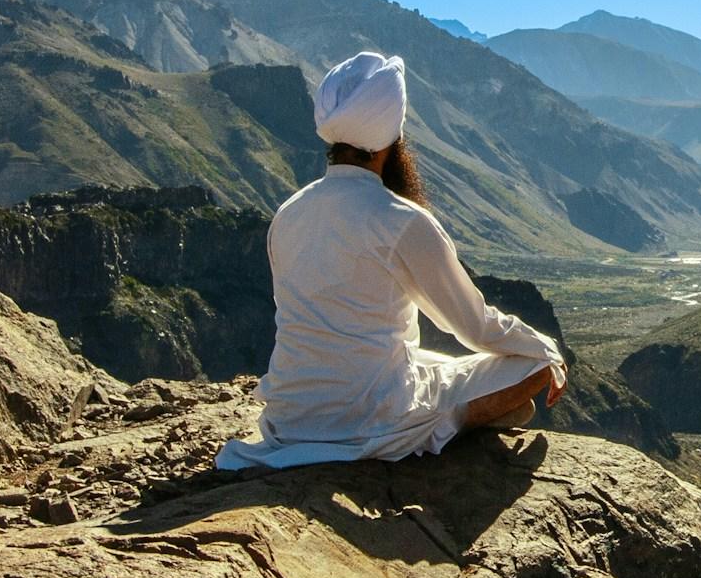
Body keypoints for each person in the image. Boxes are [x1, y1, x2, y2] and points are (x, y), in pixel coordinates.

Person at [217, 51, 565, 471]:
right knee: (533, 368)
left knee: (432, 363)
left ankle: (460, 414)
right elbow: (475, 326)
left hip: (287, 419)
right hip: (368, 421)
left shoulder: (289, 212)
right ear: (392, 137)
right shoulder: (400, 220)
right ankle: (452, 423)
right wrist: (546, 350)